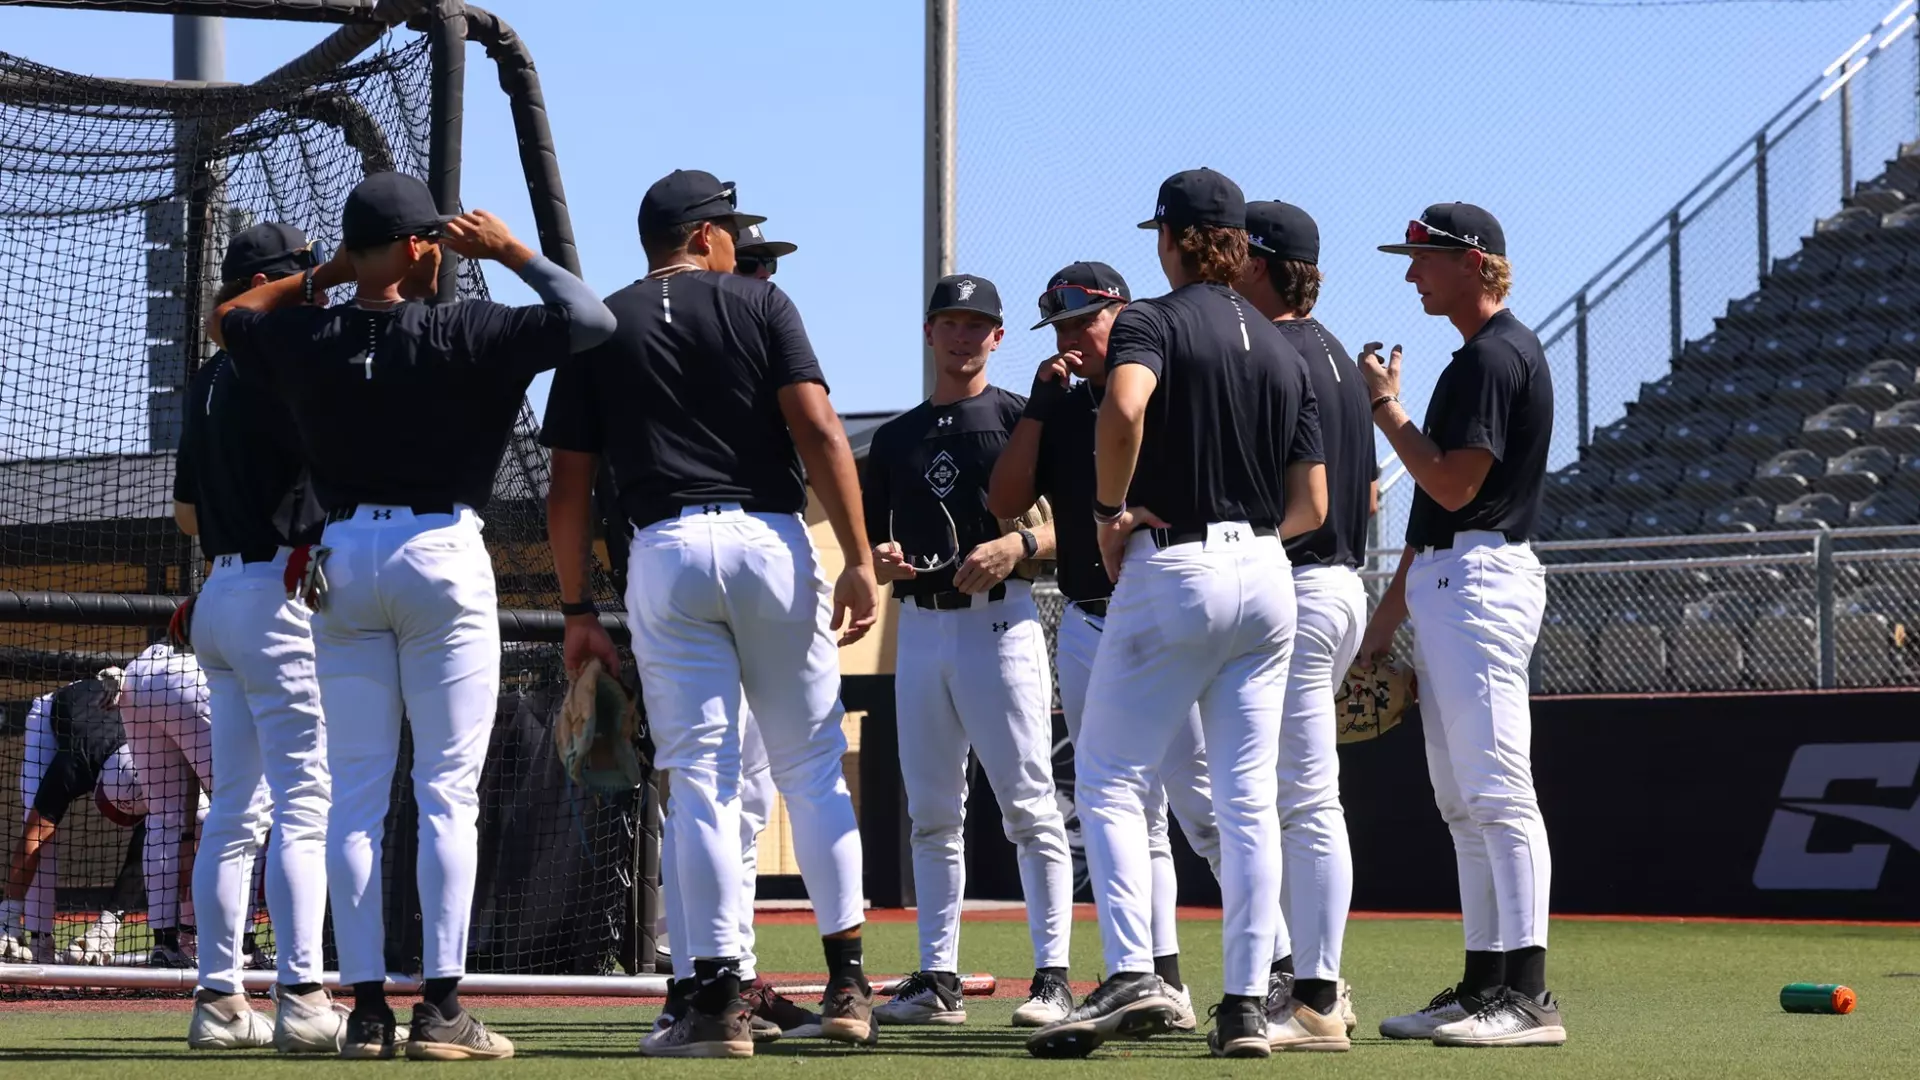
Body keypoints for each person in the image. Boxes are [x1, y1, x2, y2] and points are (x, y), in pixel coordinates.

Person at [207, 169, 616, 1061]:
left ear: (355, 251)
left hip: (344, 562)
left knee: (354, 800)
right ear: (426, 246)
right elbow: (592, 320)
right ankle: (439, 1010)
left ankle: (363, 1015)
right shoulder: (468, 326)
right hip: (441, 559)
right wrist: (508, 249)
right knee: (446, 796)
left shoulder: (305, 332)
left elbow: (225, 315)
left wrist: (328, 275)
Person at [542, 169, 878, 1058]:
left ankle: (715, 1001)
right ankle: (847, 984)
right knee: (810, 767)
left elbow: (567, 487)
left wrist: (577, 605)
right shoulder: (760, 306)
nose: (736, 238)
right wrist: (861, 559)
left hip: (666, 552)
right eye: (728, 225)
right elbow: (820, 430)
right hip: (769, 538)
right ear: (702, 235)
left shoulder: (601, 324)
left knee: (699, 777)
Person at [1027, 168, 1327, 1060]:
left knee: (1112, 776)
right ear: (1237, 242)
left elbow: (1122, 408)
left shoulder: (1153, 318)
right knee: (1246, 799)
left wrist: (1107, 512)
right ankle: (1247, 1005)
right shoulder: (1282, 345)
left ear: (1171, 238)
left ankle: (1133, 972)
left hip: (1178, 565)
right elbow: (1310, 499)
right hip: (1269, 566)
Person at [985, 260, 1222, 1033]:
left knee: (1206, 809)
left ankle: (1287, 971)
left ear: (1119, 313)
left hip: (1165, 614)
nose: (1070, 339)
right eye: (1057, 326)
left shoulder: (1159, 382)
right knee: (1125, 809)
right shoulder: (1060, 399)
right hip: (1089, 619)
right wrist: (1040, 405)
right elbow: (1003, 500)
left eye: (1081, 322)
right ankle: (1162, 982)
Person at [1362, 203, 1563, 1048]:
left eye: (1425, 259)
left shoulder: (1494, 357)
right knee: (1460, 800)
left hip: (1482, 576)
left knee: (1496, 791)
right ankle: (1485, 984)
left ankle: (1529, 999)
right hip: (1452, 573)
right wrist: (1379, 632)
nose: (1412, 274)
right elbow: (1429, 523)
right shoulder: (1474, 358)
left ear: (1474, 262)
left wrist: (1385, 410)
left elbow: (1448, 488)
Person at [864, 273, 1076, 1030]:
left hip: (1003, 622)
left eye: (977, 323)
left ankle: (1053, 978)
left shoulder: (1024, 418)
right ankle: (937, 978)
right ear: (929, 334)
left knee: (1028, 807)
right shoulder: (894, 438)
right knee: (931, 814)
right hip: (919, 627)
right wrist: (880, 559)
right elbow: (872, 543)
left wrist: (1018, 542)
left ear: (999, 336)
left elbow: (1077, 525)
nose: (963, 335)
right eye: (949, 322)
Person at [644, 213, 825, 1047]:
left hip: (719, 570)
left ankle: (729, 978)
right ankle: (697, 980)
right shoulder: (709, 349)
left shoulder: (758, 342)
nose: (758, 276)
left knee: (740, 796)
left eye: (765, 266)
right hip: (696, 572)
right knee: (706, 792)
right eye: (748, 261)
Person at [172, 222, 341, 1052]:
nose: (316, 287)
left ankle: (219, 1002)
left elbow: (184, 515)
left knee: (235, 809)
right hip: (279, 594)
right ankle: (305, 998)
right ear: (276, 281)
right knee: (304, 805)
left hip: (220, 594)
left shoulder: (206, 375)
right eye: (304, 277)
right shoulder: (287, 358)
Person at [1236, 200, 1375, 1047]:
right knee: (1294, 796)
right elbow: (1359, 496)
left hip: (1302, 580)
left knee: (1303, 799)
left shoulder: (1276, 352)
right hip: (1335, 582)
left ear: (1258, 262)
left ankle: (1316, 994)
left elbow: (1311, 501)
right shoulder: (1337, 356)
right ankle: (1307, 978)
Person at [0, 674, 137, 964]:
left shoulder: (153, 761)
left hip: (106, 727)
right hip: (51, 717)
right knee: (44, 835)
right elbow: (33, 836)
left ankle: (178, 939)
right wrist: (7, 914)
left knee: (169, 835)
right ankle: (34, 938)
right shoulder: (74, 765)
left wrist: (107, 926)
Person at [117, 641, 225, 970]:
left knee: (164, 817)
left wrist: (188, 839)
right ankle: (244, 945)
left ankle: (164, 944)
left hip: (137, 677)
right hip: (190, 678)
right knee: (244, 810)